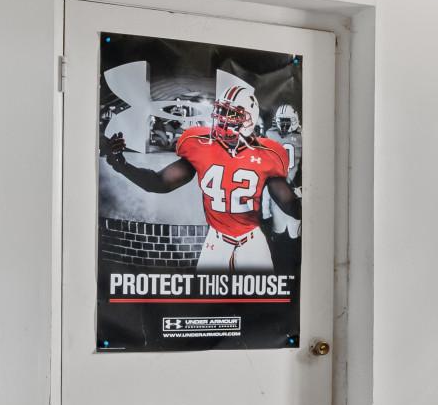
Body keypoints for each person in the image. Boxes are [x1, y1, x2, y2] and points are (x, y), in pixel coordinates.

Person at [102, 82, 299, 271]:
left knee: (263, 303)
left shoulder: (267, 153)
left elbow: (287, 202)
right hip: (216, 241)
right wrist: (122, 165)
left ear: (247, 119)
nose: (221, 120)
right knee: (206, 302)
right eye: (220, 112)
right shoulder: (201, 145)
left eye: (229, 114)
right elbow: (159, 182)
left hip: (252, 241)